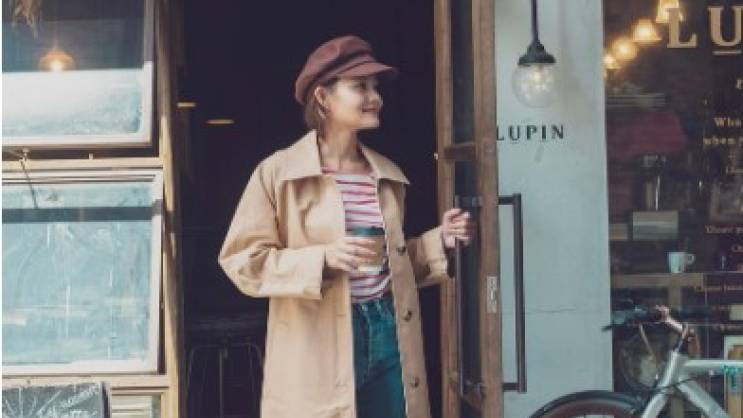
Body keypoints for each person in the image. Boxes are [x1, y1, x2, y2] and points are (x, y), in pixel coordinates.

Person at [218, 35, 474, 418]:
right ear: (323, 97)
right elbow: (242, 261)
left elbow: (390, 263)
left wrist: (441, 240)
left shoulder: (387, 175)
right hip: (316, 337)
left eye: (375, 87)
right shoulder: (278, 173)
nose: (375, 97)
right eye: (360, 86)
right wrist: (322, 259)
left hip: (388, 326)